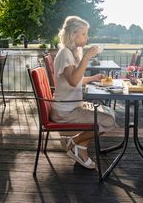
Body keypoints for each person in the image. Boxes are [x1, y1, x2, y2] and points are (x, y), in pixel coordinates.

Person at [51, 16, 117, 169]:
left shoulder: (70, 53)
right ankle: (74, 143)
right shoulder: (65, 54)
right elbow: (73, 81)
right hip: (65, 111)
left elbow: (74, 80)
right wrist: (87, 56)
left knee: (110, 114)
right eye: (84, 34)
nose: (87, 37)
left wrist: (93, 78)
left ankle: (79, 147)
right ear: (74, 34)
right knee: (109, 121)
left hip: (70, 107)